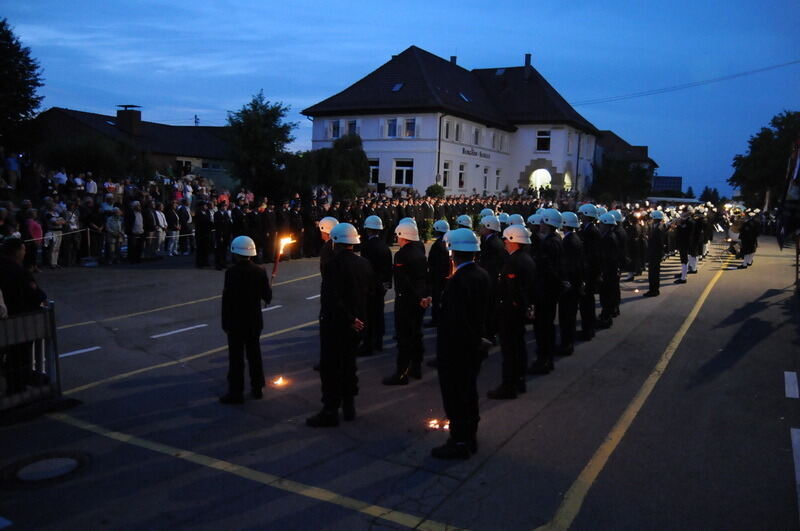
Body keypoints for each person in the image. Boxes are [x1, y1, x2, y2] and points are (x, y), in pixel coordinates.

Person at [431, 228, 490, 459]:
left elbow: (455, 321)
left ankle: (459, 441)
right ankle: (470, 437)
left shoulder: (458, 281)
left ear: (453, 252)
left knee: (455, 397)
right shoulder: (482, 275)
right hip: (473, 347)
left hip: (457, 350)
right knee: (469, 394)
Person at [307, 223, 374, 427]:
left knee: (331, 369)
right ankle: (349, 406)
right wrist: (359, 320)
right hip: (357, 324)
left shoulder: (332, 266)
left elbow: (331, 299)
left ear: (335, 242)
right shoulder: (364, 264)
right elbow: (368, 295)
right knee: (349, 366)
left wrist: (348, 319)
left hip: (336, 325)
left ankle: (330, 410)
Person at [219, 235, 272, 404]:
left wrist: (225, 322)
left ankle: (236, 391)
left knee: (236, 358)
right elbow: (267, 297)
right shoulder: (260, 270)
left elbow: (227, 299)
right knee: (254, 355)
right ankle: (257, 387)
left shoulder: (231, 272)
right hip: (254, 320)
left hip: (235, 321)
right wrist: (269, 287)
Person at [487, 224, 535, 399]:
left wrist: (514, 306)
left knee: (510, 351)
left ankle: (509, 386)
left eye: (506, 239)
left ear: (514, 240)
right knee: (519, 348)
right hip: (518, 311)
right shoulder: (526, 258)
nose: (504, 242)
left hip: (510, 312)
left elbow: (514, 290)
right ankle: (519, 380)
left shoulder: (514, 262)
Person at [383, 220, 430, 385]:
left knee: (404, 338)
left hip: (406, 301)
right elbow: (424, 277)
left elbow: (405, 281)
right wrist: (425, 296)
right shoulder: (419, 251)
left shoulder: (402, 255)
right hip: (419, 300)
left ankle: (402, 373)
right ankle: (416, 368)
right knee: (417, 334)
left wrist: (417, 296)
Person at [0, 238, 47, 395]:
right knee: (20, 357)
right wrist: (40, 295)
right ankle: (18, 389)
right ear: (16, 251)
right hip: (20, 318)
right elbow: (34, 293)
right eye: (23, 249)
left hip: (9, 319)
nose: (25, 252)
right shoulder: (18, 271)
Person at [529, 208, 563, 375]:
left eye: (543, 222)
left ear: (548, 224)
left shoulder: (549, 243)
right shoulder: (556, 239)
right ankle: (547, 358)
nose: (540, 224)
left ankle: (544, 360)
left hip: (545, 290)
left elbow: (546, 269)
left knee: (543, 326)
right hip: (551, 290)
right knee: (547, 325)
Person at [360, 215, 392, 356]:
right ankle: (378, 342)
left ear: (368, 230)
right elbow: (388, 268)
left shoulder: (367, 246)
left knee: (369, 316)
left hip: (371, 286)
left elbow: (366, 269)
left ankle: (368, 345)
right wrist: (386, 284)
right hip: (382, 285)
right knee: (379, 313)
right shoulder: (385, 246)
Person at [477, 215, 508, 343]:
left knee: (490, 308)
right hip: (491, 278)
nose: (480, 228)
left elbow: (491, 264)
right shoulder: (490, 240)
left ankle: (490, 334)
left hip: (491, 280)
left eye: (483, 226)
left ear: (489, 227)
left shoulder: (493, 243)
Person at [558, 211, 583, 356]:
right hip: (574, 282)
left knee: (566, 316)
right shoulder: (575, 238)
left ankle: (566, 345)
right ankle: (568, 342)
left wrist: (565, 281)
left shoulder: (569, 241)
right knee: (569, 315)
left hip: (570, 284)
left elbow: (568, 264)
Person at [597, 212, 620, 328]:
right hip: (610, 271)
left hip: (608, 272)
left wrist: (602, 272)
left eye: (601, 223)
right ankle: (606, 315)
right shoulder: (610, 235)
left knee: (606, 296)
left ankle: (606, 318)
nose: (599, 225)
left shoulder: (608, 238)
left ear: (606, 224)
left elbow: (607, 258)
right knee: (607, 296)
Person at [426, 219, 450, 328]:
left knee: (436, 299)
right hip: (446, 274)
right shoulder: (448, 240)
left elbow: (434, 261)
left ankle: (436, 319)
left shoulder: (438, 244)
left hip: (438, 275)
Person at [643, 210, 667, 296]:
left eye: (652, 218)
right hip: (655, 253)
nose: (651, 219)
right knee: (654, 273)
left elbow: (659, 242)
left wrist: (649, 239)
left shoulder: (658, 228)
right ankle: (654, 290)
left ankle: (653, 290)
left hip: (655, 253)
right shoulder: (657, 226)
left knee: (653, 273)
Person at [214, 201, 232, 270]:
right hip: (220, 234)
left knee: (224, 250)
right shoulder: (217, 214)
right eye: (223, 206)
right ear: (220, 207)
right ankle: (218, 264)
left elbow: (228, 224)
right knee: (219, 250)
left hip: (226, 234)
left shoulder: (226, 214)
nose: (225, 207)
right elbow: (218, 226)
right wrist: (220, 235)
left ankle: (223, 263)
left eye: (225, 206)